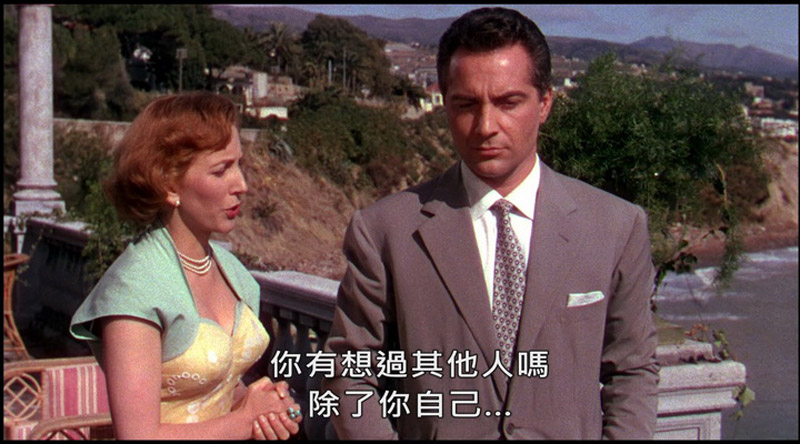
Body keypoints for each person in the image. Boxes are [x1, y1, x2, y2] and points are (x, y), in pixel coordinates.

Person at [321, 7, 659, 440]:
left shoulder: (615, 226)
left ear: (545, 104)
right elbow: (348, 371)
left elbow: (632, 370)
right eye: (466, 105)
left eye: (508, 103)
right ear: (445, 105)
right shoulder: (385, 230)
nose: (485, 126)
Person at [70, 92, 302, 439]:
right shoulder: (135, 290)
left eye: (239, 164)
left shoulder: (232, 272)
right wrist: (245, 421)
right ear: (168, 183)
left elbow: (213, 388)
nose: (241, 185)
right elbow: (138, 437)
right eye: (221, 170)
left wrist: (264, 405)